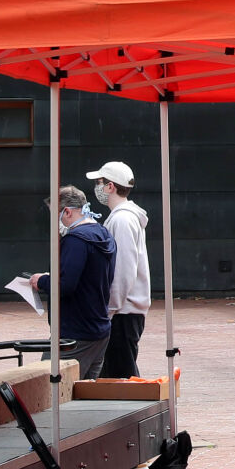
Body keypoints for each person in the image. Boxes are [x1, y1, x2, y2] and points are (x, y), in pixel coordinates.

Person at [31, 186, 116, 382]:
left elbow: (66, 285)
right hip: (99, 328)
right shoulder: (103, 233)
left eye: (56, 214)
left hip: (75, 332)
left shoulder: (75, 240)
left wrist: (41, 280)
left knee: (46, 387)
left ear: (67, 211)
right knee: (85, 393)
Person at [87, 160, 149, 379]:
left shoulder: (122, 220)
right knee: (120, 374)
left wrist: (109, 309)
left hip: (123, 311)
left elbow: (123, 269)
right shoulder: (123, 217)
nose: (97, 187)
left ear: (110, 186)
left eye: (99, 182)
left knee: (121, 378)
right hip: (125, 310)